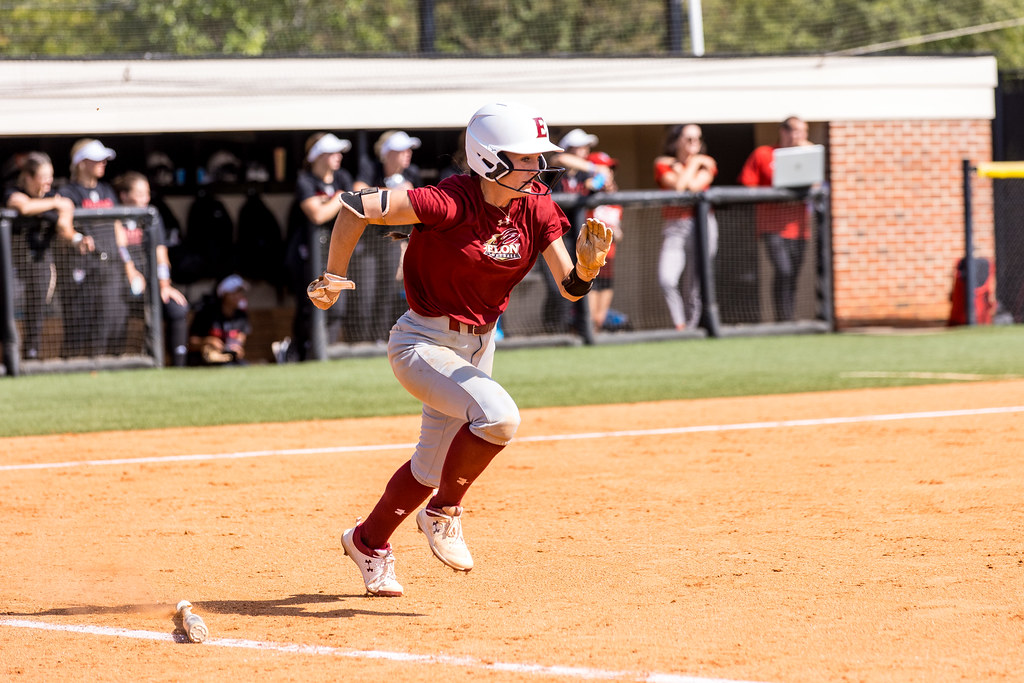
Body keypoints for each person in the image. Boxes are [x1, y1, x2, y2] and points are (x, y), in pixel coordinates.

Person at [307, 101, 613, 597]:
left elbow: (570, 289)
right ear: (489, 158)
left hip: (479, 345)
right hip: (422, 342)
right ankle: (444, 512)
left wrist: (587, 268)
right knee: (500, 418)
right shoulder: (448, 201)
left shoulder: (536, 204)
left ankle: (368, 542)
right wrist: (334, 276)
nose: (538, 166)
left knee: (429, 468)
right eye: (526, 157)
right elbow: (355, 206)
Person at [56, 138, 135, 357]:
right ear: (81, 163)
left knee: (113, 319)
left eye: (104, 159)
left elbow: (117, 228)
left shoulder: (107, 190)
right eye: (97, 159)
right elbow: (63, 228)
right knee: (80, 324)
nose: (103, 163)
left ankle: (109, 365)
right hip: (82, 268)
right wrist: (76, 239)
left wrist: (129, 264)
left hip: (111, 267)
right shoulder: (68, 192)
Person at [347, 130, 424, 343]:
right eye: (402, 150)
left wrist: (406, 243)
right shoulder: (371, 167)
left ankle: (380, 340)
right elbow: (358, 190)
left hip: (394, 240)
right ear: (388, 153)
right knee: (366, 293)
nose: (408, 154)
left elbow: (420, 209)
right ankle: (362, 342)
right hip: (368, 241)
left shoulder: (412, 173)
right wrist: (394, 192)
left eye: (409, 149)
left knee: (387, 292)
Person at [283, 133, 354, 361]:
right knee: (309, 306)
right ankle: (303, 353)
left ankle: (327, 351)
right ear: (319, 156)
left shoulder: (342, 177)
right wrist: (340, 198)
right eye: (332, 152)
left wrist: (336, 200)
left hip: (335, 253)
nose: (338, 156)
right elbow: (318, 214)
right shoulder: (305, 181)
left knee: (337, 306)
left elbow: (354, 207)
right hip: (306, 256)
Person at [2, 152, 79, 359]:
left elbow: (65, 222)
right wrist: (55, 204)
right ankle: (9, 356)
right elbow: (24, 206)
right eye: (43, 177)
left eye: (50, 176)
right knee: (7, 309)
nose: (48, 181)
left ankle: (31, 354)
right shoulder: (13, 191)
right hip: (11, 263)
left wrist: (75, 237)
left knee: (35, 310)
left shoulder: (54, 196)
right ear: (28, 177)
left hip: (39, 263)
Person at [738, 116, 813, 322]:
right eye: (797, 130)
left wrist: (807, 153)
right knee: (783, 270)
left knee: (793, 274)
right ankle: (783, 320)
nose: (801, 136)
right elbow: (748, 185)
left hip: (799, 228)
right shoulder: (764, 154)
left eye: (804, 131)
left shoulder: (808, 154)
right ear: (784, 131)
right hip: (772, 226)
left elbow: (816, 184)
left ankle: (789, 318)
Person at [112, 171, 190, 366]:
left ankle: (178, 365)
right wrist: (131, 272)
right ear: (124, 195)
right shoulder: (115, 216)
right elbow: (120, 248)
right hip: (120, 284)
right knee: (120, 312)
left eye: (147, 193)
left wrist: (165, 285)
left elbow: (161, 253)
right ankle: (116, 361)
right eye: (139, 194)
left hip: (151, 284)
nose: (145, 199)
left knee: (178, 307)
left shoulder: (152, 217)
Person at [541, 127, 614, 335]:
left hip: (576, 238)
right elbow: (560, 159)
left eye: (586, 147)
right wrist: (595, 167)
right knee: (556, 287)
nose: (585, 151)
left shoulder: (585, 175)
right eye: (579, 147)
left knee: (575, 283)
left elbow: (600, 183)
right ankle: (554, 330)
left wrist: (603, 180)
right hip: (551, 237)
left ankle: (572, 330)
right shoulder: (556, 168)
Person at [654, 124, 718, 330]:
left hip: (703, 225)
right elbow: (680, 188)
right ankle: (680, 325)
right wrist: (694, 163)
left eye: (697, 139)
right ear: (676, 141)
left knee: (695, 285)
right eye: (689, 139)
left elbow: (692, 186)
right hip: (675, 227)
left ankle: (692, 327)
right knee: (666, 279)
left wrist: (688, 165)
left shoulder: (706, 163)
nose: (694, 143)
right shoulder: (663, 164)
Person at [584, 151, 624, 333]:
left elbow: (619, 231)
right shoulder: (587, 193)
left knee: (600, 318)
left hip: (608, 262)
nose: (609, 173)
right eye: (605, 169)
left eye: (611, 169)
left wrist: (616, 232)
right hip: (589, 263)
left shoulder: (615, 200)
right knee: (590, 317)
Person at [187, 274, 251, 366]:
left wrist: (237, 348)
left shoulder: (241, 316)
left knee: (244, 366)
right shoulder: (206, 313)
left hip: (229, 359)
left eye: (240, 292)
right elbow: (190, 343)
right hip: (205, 362)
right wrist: (208, 341)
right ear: (224, 294)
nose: (239, 296)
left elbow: (241, 338)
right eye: (234, 292)